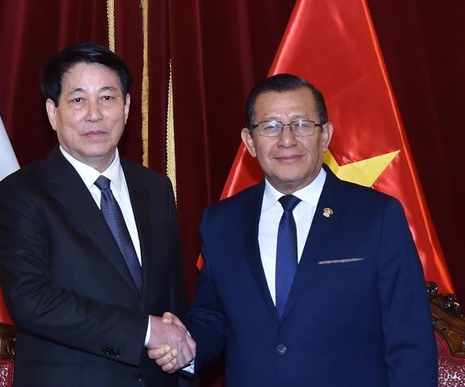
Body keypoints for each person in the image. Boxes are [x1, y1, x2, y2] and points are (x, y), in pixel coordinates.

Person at [151, 73, 437, 386]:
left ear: (325, 135)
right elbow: (214, 315)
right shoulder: (222, 222)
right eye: (270, 126)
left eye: (301, 124)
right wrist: (184, 343)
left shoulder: (377, 216)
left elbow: (409, 340)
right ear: (249, 141)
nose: (287, 140)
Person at [0, 43, 194, 386]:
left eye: (107, 97)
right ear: (52, 111)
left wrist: (181, 357)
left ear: (127, 107)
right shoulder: (22, 193)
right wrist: (145, 331)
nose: (94, 114)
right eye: (77, 100)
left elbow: (173, 298)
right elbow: (31, 300)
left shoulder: (155, 189)